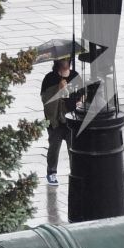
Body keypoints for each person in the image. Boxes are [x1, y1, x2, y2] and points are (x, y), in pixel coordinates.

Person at [41, 55, 82, 184]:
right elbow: (45, 98)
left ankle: (75, 171)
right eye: (63, 60)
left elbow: (82, 93)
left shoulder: (75, 75)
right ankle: (51, 172)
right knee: (54, 147)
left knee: (73, 148)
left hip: (71, 118)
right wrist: (57, 89)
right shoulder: (50, 78)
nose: (66, 62)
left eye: (68, 60)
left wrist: (80, 101)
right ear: (58, 61)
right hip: (56, 120)